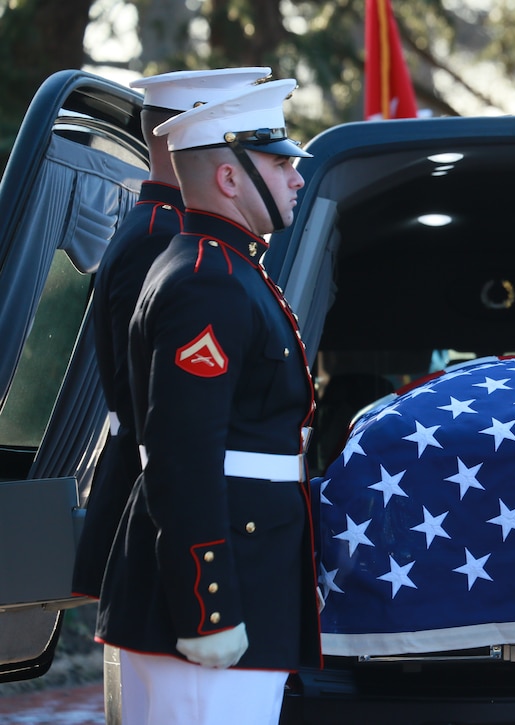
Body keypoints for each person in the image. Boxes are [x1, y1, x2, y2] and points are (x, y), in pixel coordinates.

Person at [95, 78, 321, 725]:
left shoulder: (221, 269)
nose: (296, 179)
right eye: (281, 164)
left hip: (246, 573)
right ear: (229, 177)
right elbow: (183, 456)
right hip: (217, 597)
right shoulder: (209, 283)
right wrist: (208, 606)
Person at [73, 67, 271, 601]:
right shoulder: (165, 234)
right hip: (162, 514)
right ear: (190, 133)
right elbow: (156, 411)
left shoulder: (166, 226)